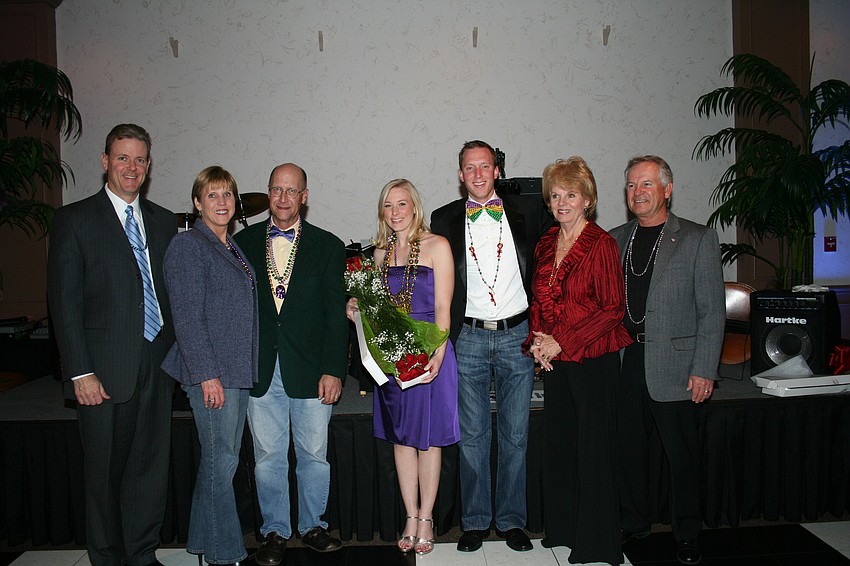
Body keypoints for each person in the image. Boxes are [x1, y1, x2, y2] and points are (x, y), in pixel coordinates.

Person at [47, 124, 176, 566]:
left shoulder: (162, 221)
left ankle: (142, 553)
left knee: (148, 470)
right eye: (123, 158)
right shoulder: (74, 219)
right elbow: (64, 304)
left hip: (157, 367)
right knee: (102, 475)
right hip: (101, 373)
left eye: (140, 159)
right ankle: (106, 557)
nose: (132, 167)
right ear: (105, 162)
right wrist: (79, 371)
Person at [431, 140, 552, 553]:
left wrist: (545, 328)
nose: (479, 174)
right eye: (470, 167)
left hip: (517, 335)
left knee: (516, 433)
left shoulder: (530, 213)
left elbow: (551, 268)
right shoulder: (443, 218)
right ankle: (477, 521)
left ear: (497, 171)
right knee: (472, 434)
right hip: (467, 337)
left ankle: (513, 522)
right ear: (461, 174)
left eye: (485, 166)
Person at [609, 156, 725, 566]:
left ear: (667, 189)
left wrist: (704, 369)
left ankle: (687, 532)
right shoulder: (615, 238)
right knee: (629, 453)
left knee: (681, 456)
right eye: (630, 185)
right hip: (626, 360)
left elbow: (712, 311)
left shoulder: (696, 238)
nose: (637, 192)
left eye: (646, 184)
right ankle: (634, 522)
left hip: (677, 366)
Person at [232, 163, 347, 565]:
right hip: (260, 369)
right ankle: (274, 530)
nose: (283, 198)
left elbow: (336, 315)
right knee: (267, 456)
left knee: (314, 453)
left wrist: (334, 368)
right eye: (276, 190)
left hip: (313, 370)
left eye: (291, 190)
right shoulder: (241, 243)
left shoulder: (328, 246)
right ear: (268, 194)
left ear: (305, 196)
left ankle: (313, 525)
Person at [523, 157, 632, 565]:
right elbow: (540, 300)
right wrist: (538, 341)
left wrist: (560, 342)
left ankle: (598, 543)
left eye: (570, 194)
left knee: (593, 450)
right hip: (556, 358)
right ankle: (564, 529)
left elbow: (611, 310)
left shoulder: (601, 243)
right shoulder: (547, 242)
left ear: (587, 199)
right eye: (555, 195)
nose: (562, 202)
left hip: (592, 359)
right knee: (561, 446)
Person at [345, 179, 460, 556]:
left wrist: (439, 354)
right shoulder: (377, 255)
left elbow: (444, 309)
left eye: (402, 204)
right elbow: (379, 313)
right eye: (388, 205)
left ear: (415, 207)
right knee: (401, 438)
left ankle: (427, 516)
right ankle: (409, 514)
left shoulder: (437, 245)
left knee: (427, 439)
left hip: (429, 351)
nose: (395, 212)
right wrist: (357, 309)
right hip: (393, 356)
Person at [160, 166, 259, 566]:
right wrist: (206, 376)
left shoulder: (230, 244)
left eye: (228, 195)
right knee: (223, 463)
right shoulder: (188, 246)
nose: (222, 202)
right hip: (212, 373)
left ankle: (203, 542)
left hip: (233, 369)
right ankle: (224, 554)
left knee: (220, 460)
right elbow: (186, 318)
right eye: (212, 195)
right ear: (197, 203)